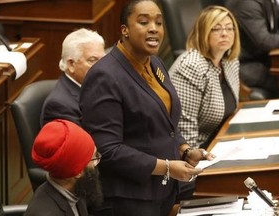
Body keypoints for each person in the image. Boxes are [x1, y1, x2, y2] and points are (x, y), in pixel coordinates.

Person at [79, 1, 214, 215]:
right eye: (144, 22)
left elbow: (165, 123)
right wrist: (167, 167)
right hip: (126, 199)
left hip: (161, 191)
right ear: (125, 30)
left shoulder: (155, 63)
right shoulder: (104, 76)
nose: (154, 28)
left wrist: (185, 150)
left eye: (158, 22)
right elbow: (108, 149)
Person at [170, 5, 241, 150]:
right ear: (203, 33)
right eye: (216, 28)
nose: (224, 33)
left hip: (222, 141)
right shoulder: (191, 66)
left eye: (229, 28)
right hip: (197, 151)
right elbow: (184, 131)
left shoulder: (230, 61)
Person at [24, 119, 103, 216]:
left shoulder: (77, 189)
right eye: (94, 158)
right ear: (78, 172)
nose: (96, 163)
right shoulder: (46, 213)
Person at [40, 28, 105, 126]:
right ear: (71, 64)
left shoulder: (102, 84)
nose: (102, 66)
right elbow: (84, 140)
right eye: (93, 60)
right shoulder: (59, 106)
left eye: (104, 59)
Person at [225, 0, 279, 99]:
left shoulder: (271, 2)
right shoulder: (246, 3)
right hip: (243, 65)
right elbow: (265, 41)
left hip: (263, 60)